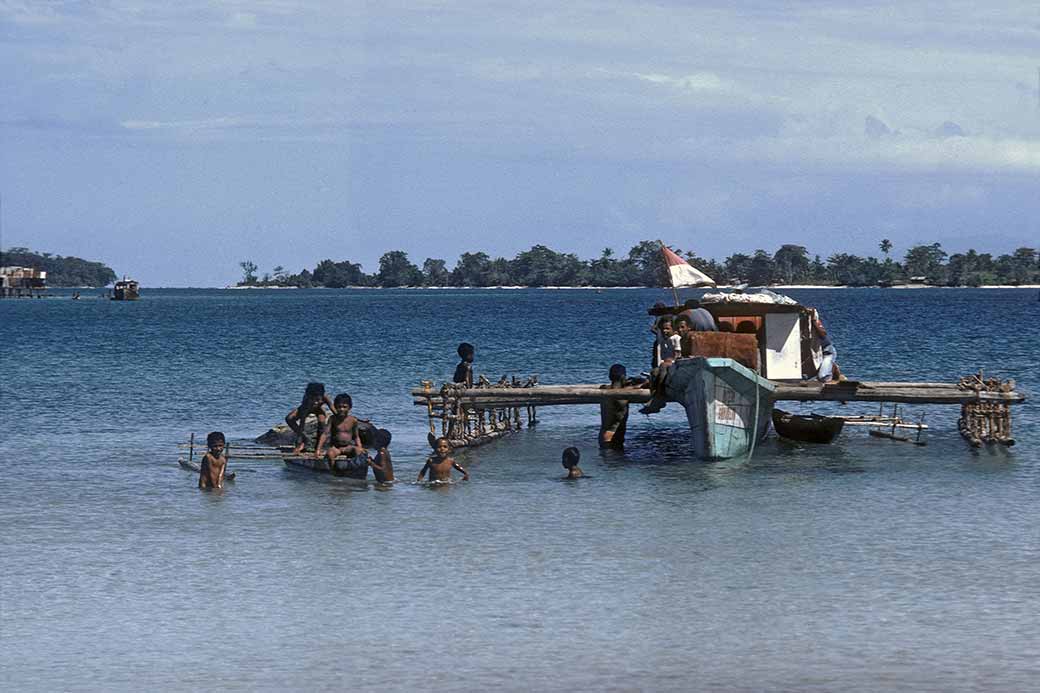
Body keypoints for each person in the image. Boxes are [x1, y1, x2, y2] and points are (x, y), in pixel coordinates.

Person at [641, 317, 680, 414]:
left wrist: (670, 361)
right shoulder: (664, 340)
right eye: (663, 329)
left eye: (667, 329)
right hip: (666, 364)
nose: (664, 331)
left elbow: (678, 355)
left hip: (674, 365)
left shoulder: (676, 338)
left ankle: (659, 396)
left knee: (662, 367)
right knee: (654, 372)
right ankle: (654, 397)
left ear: (673, 329)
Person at [317, 394, 365, 471]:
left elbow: (356, 436)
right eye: (339, 407)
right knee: (330, 453)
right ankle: (333, 472)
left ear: (350, 407)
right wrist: (318, 449)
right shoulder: (333, 419)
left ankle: (355, 470)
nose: (341, 409)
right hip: (336, 448)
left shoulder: (353, 420)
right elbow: (325, 434)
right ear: (335, 407)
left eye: (344, 407)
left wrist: (360, 447)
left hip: (348, 447)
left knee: (359, 451)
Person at [286, 382, 335, 453]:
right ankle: (305, 439)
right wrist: (299, 442)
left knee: (322, 421)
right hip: (305, 409)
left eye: (318, 400)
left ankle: (318, 445)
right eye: (313, 400)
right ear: (309, 396)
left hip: (318, 410)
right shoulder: (306, 401)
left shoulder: (325, 397)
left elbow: (332, 407)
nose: (315, 402)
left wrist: (340, 418)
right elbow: (302, 423)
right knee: (289, 418)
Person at [599, 363, 631, 448]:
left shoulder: (605, 389)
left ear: (610, 377)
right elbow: (621, 403)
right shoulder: (621, 396)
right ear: (623, 377)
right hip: (612, 437)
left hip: (606, 435)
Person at [810, 309, 844, 382]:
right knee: (809, 378)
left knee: (823, 377)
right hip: (816, 354)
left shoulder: (815, 322)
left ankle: (834, 368)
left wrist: (813, 321)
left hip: (827, 352)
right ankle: (830, 366)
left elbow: (823, 334)